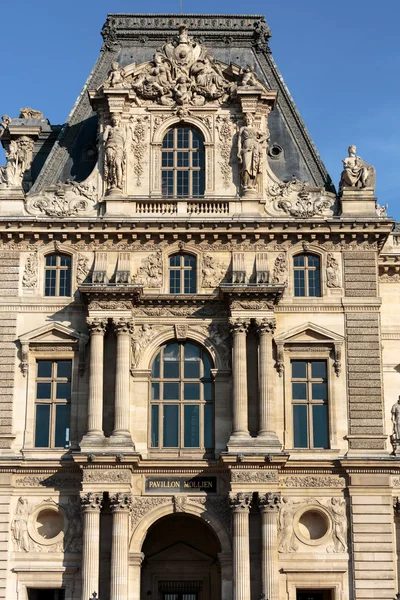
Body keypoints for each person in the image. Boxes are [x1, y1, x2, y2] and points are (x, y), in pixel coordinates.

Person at [237, 114, 268, 191]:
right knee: (246, 167)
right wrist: (238, 151)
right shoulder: (242, 128)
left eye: (249, 119)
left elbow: (266, 135)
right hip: (245, 149)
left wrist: (258, 141)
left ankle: (251, 184)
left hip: (255, 148)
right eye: (247, 119)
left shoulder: (256, 129)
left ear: (252, 120)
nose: (248, 120)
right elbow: (239, 142)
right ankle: (246, 184)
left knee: (254, 167)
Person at [103, 116, 126, 193]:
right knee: (111, 165)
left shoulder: (122, 129)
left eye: (117, 120)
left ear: (119, 121)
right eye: (114, 120)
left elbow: (125, 140)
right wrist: (106, 129)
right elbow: (104, 138)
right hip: (110, 146)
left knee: (117, 164)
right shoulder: (110, 129)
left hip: (119, 148)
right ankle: (112, 183)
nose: (115, 121)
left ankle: (118, 183)